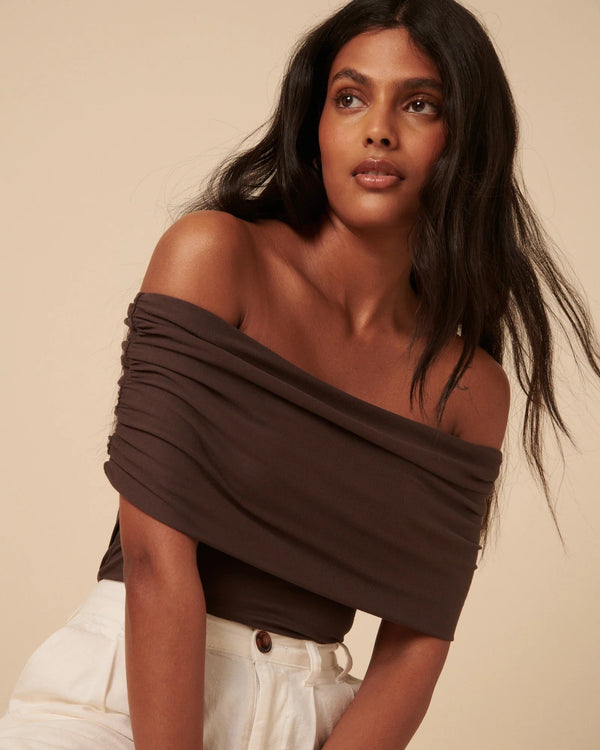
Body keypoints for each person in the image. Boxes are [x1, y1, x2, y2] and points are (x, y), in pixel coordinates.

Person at [1, 0, 598, 748]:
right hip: (122, 701)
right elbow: (155, 560)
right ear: (314, 123)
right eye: (350, 98)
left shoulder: (469, 390)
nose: (378, 129)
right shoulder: (215, 258)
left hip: (307, 719)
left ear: (465, 141)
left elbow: (417, 646)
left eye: (419, 104)